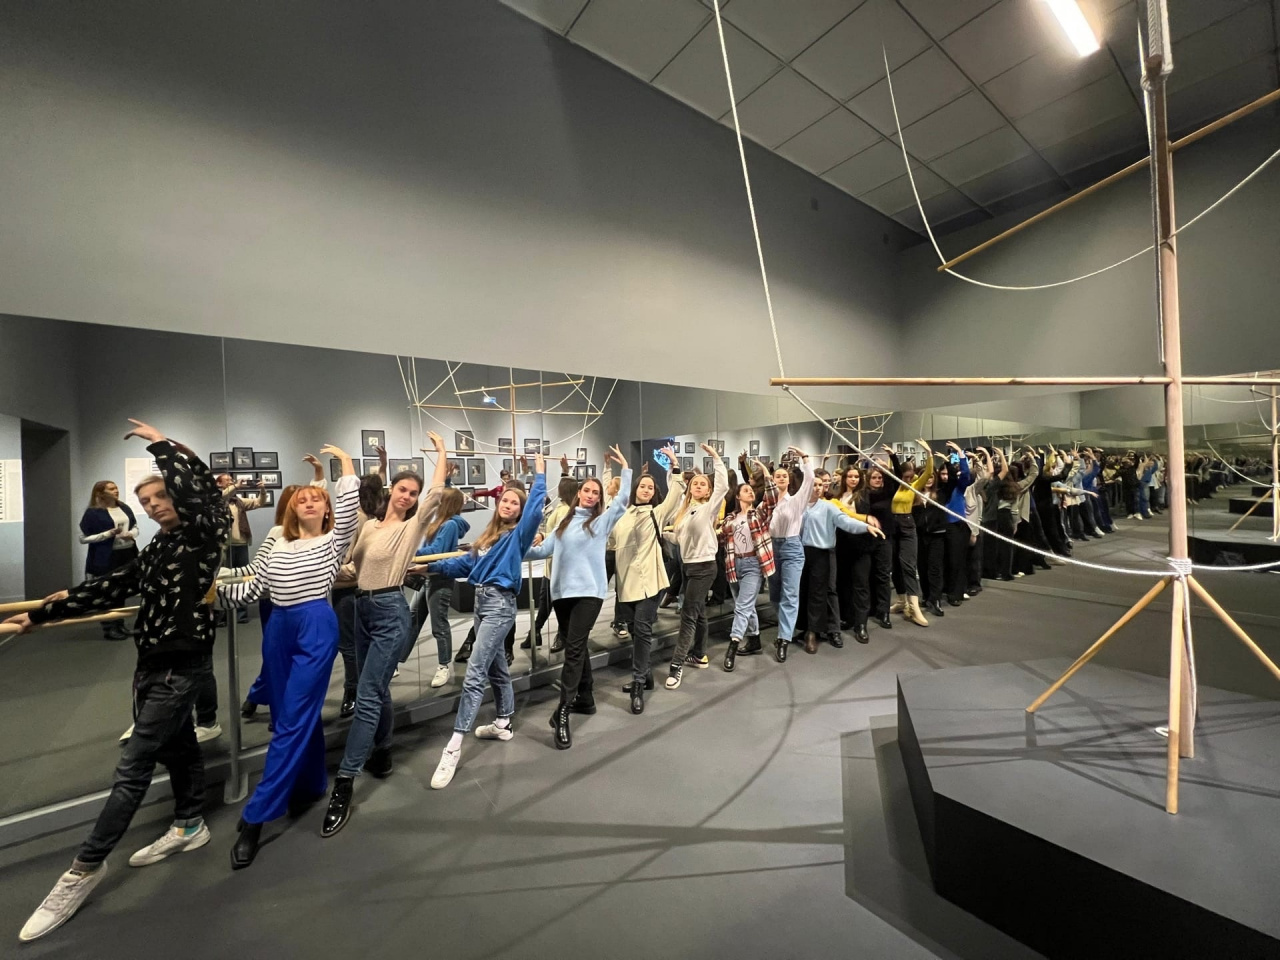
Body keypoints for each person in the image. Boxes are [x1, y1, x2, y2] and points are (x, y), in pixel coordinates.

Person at [9, 420, 229, 944]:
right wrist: (42, 613)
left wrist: (163, 445)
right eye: (144, 501)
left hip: (182, 666)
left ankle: (84, 868)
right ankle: (190, 823)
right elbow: (114, 585)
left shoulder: (203, 534)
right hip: (150, 663)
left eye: (159, 497)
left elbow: (203, 495)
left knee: (133, 768)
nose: (151, 506)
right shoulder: (158, 548)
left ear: (178, 496)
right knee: (177, 747)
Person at [215, 445, 359, 868]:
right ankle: (310, 783)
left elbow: (349, 509)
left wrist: (344, 464)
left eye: (317, 498)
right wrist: (211, 594)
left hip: (314, 625)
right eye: (302, 499)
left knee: (292, 718)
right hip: (278, 627)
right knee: (285, 714)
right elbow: (254, 587)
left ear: (327, 509)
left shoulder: (333, 542)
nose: (309, 501)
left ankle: (257, 815)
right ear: (292, 510)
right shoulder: (278, 542)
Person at [320, 432, 448, 837]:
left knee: (367, 694)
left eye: (413, 493)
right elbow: (351, 563)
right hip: (360, 608)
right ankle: (384, 750)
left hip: (390, 610)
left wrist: (442, 453)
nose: (408, 497)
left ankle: (345, 781)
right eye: (403, 490)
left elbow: (437, 492)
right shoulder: (369, 526)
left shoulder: (410, 528)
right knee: (375, 689)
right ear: (392, 490)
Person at [423, 455, 547, 789]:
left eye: (515, 503)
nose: (508, 505)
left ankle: (453, 747)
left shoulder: (518, 536)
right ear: (498, 504)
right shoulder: (488, 536)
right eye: (505, 500)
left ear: (520, 510)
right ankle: (503, 723)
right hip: (481, 604)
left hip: (499, 607)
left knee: (474, 674)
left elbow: (536, 512)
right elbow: (464, 565)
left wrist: (539, 475)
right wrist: (427, 566)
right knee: (496, 669)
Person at [525, 447, 631, 748]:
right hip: (562, 595)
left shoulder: (601, 522)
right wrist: (513, 548)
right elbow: (542, 552)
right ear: (579, 493)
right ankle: (586, 697)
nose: (591, 495)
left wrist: (625, 468)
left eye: (596, 493)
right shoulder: (562, 523)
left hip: (588, 595)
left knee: (572, 651)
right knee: (577, 645)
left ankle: (562, 712)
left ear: (599, 498)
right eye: (587, 490)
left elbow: (623, 500)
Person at [612, 450, 684, 713]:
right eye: (642, 486)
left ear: (654, 493)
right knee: (634, 630)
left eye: (650, 487)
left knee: (642, 630)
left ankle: (638, 683)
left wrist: (674, 464)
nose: (646, 490)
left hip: (651, 582)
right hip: (626, 583)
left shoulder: (657, 513)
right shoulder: (621, 515)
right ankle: (647, 675)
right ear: (635, 489)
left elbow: (676, 493)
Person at [663, 446, 728, 689]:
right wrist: (662, 534)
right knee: (698, 612)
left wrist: (716, 458)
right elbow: (679, 538)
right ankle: (700, 654)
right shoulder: (686, 512)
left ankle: (676, 665)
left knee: (688, 615)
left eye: (703, 484)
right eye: (695, 483)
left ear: (708, 491)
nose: (698, 486)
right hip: (688, 568)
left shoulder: (708, 508)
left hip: (704, 568)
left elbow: (723, 486)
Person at [799, 469, 883, 653]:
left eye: (820, 485)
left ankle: (814, 632)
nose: (817, 488)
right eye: (814, 485)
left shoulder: (828, 506)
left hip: (822, 553)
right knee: (803, 591)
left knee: (820, 593)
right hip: (801, 554)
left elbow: (846, 521)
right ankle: (805, 629)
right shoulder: (800, 506)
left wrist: (865, 527)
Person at [407, 487, 469, 688]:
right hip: (428, 576)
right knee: (412, 619)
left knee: (438, 625)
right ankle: (396, 662)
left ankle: (443, 665)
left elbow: (437, 550)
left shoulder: (449, 525)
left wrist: (411, 551)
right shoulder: (441, 522)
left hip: (439, 578)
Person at [720, 458, 777, 671]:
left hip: (753, 564)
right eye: (745, 490)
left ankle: (733, 646)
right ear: (738, 496)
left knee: (742, 607)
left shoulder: (758, 514)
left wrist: (766, 473)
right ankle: (754, 640)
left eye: (751, 490)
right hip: (734, 565)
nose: (750, 492)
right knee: (745, 605)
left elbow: (771, 499)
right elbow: (721, 538)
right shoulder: (730, 519)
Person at [78, 480, 140, 640]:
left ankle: (119, 624)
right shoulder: (93, 513)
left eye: (116, 488)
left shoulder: (124, 508)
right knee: (107, 591)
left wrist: (131, 534)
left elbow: (135, 527)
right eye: (111, 489)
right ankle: (109, 627)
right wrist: (107, 534)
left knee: (122, 590)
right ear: (100, 493)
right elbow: (83, 539)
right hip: (106, 557)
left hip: (127, 554)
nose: (116, 491)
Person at [767, 448, 814, 662]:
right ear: (772, 479)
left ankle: (783, 638)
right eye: (777, 476)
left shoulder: (796, 501)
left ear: (789, 480)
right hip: (771, 549)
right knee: (775, 594)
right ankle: (785, 628)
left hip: (792, 548)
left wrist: (805, 459)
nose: (781, 478)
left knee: (790, 594)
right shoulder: (766, 504)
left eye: (784, 476)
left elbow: (809, 479)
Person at [887, 441, 933, 628]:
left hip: (907, 525)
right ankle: (901, 601)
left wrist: (929, 453)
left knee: (908, 566)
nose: (907, 479)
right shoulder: (894, 485)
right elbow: (895, 472)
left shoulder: (914, 484)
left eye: (910, 476)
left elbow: (928, 473)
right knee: (895, 566)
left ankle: (914, 607)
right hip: (893, 526)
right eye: (904, 476)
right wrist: (892, 457)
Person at [216, 474, 268, 624]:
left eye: (231, 480)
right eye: (227, 480)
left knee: (242, 580)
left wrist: (262, 490)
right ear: (219, 484)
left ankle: (241, 614)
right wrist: (236, 486)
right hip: (224, 546)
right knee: (223, 580)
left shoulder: (238, 502)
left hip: (241, 544)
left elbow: (259, 502)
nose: (231, 482)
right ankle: (222, 615)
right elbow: (222, 497)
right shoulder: (216, 499)